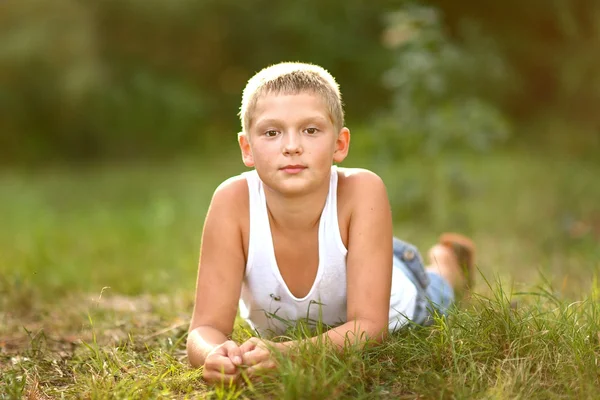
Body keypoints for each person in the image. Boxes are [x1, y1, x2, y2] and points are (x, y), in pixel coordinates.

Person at [186, 62, 476, 383]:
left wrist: (287, 353)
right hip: (355, 258)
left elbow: (370, 325)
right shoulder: (232, 201)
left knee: (439, 294)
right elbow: (205, 328)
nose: (292, 146)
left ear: (339, 144)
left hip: (397, 293)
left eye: (310, 130)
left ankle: (446, 261)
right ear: (247, 148)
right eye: (272, 132)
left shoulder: (362, 189)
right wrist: (213, 354)